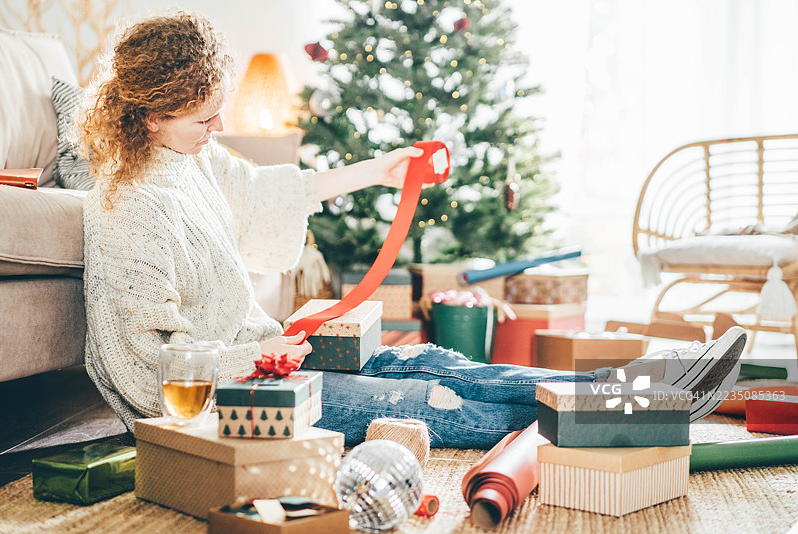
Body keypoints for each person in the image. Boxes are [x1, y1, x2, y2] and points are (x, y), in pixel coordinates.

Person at [79, 11, 746, 449]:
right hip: (233, 404)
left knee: (430, 361)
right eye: (205, 118)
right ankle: (626, 414)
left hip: (268, 360)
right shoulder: (128, 210)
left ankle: (638, 388)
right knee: (430, 401)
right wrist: (265, 357)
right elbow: (144, 372)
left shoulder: (187, 157)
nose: (220, 129)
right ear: (147, 116)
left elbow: (266, 192)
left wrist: (381, 171)